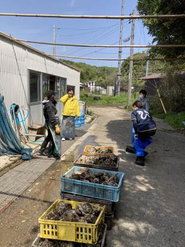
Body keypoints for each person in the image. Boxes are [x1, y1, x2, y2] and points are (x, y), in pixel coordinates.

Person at [126, 100, 157, 166]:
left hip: (143, 129)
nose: (133, 109)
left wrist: (136, 133)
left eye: (133, 107)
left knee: (138, 141)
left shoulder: (134, 112)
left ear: (135, 106)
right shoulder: (146, 111)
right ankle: (137, 150)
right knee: (144, 138)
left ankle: (140, 159)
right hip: (153, 128)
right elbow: (150, 119)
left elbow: (135, 123)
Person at [40, 90, 61, 159]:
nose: (55, 96)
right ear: (52, 96)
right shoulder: (50, 105)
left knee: (48, 137)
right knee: (52, 138)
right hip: (51, 124)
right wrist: (56, 125)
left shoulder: (49, 104)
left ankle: (42, 150)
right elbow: (52, 117)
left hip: (48, 123)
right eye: (54, 95)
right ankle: (50, 153)